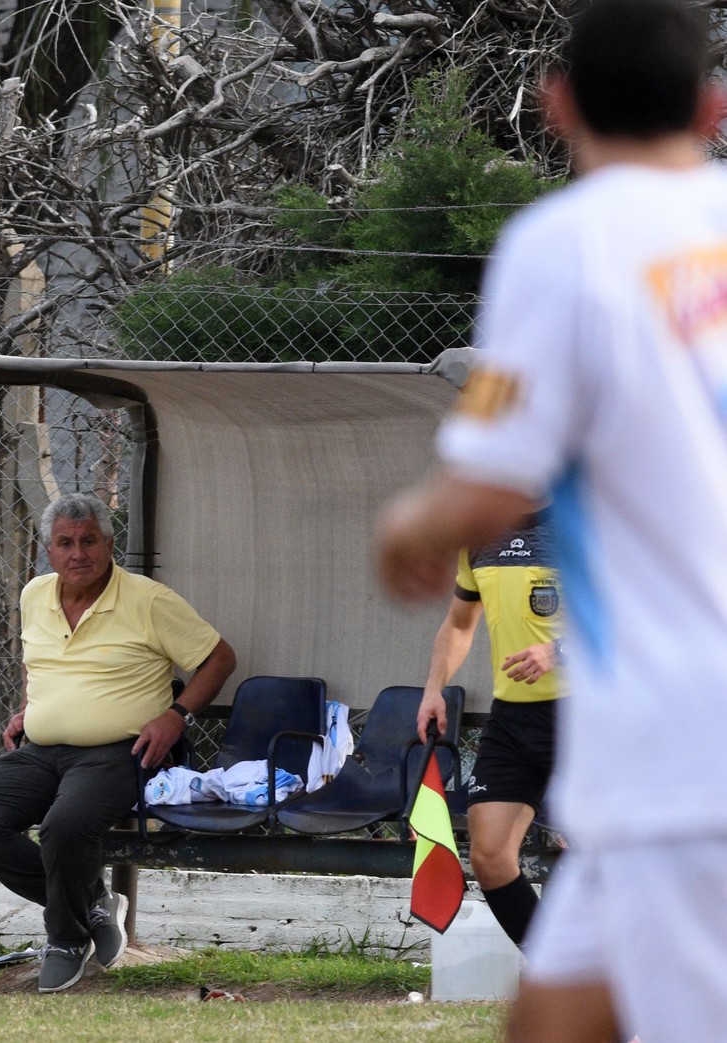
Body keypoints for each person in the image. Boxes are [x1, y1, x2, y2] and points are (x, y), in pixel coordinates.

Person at [376, 2, 727, 1040]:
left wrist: (403, 525)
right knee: (551, 1016)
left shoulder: (565, 242)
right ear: (711, 109)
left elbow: (486, 483)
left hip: (681, 735)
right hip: (660, 749)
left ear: (554, 105)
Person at [0, 493, 237, 994]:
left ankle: (64, 938)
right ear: (48, 550)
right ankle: (94, 903)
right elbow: (37, 662)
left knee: (64, 827)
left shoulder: (148, 600)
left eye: (88, 541)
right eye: (65, 543)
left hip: (119, 751)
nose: (78, 553)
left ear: (108, 544)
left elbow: (220, 658)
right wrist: (29, 709)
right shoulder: (35, 594)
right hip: (39, 749)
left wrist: (176, 715)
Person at [416, 514, 561, 948]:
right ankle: (555, 977)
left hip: (587, 718)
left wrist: (558, 650)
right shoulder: (478, 536)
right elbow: (459, 623)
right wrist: (433, 689)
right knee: (491, 856)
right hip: (513, 719)